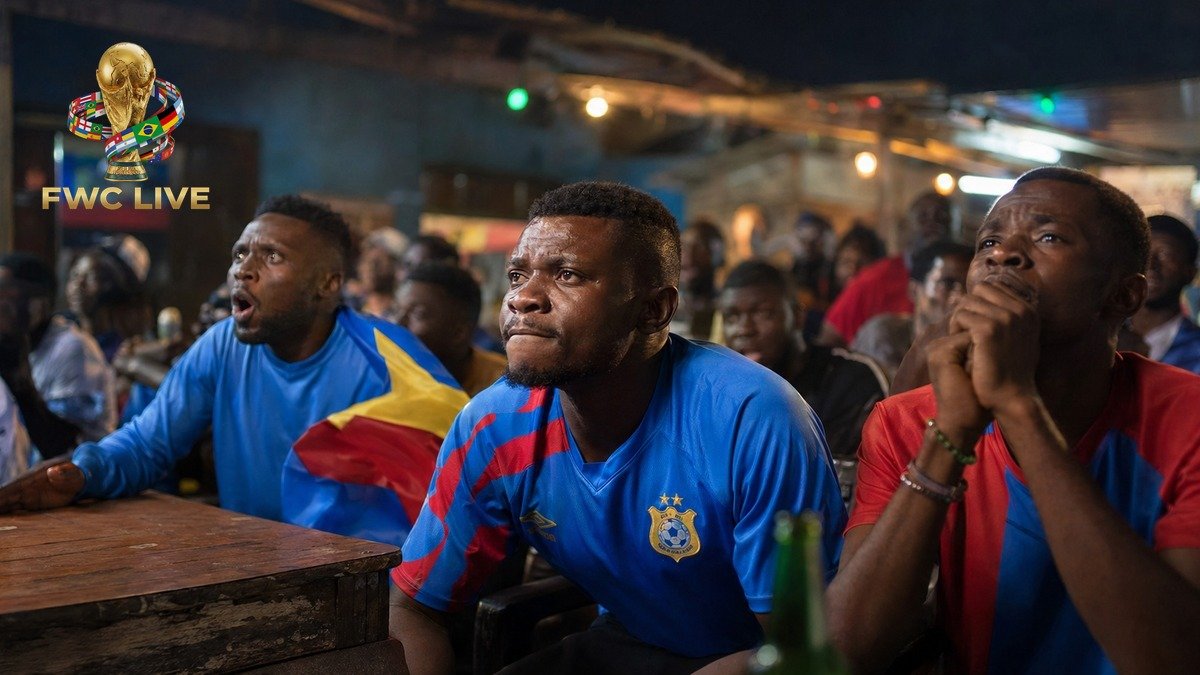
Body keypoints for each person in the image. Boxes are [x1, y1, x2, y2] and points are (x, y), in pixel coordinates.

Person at [391, 182, 845, 675]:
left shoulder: (750, 417)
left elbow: (798, 650)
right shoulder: (493, 426)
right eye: (518, 274)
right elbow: (413, 606)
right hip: (631, 640)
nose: (522, 298)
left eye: (567, 275)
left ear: (654, 310)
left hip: (750, 656)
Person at [826, 167, 1200, 675]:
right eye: (989, 243)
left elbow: (1174, 658)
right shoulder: (908, 421)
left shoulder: (1187, 417)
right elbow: (846, 651)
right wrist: (951, 435)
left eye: (1049, 237)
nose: (1004, 255)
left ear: (1124, 296)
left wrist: (1018, 406)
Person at [0, 195, 465, 523]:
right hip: (254, 567)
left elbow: (458, 500)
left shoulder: (390, 367)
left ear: (327, 284)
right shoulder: (224, 344)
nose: (244, 269)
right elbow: (148, 444)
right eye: (241, 253)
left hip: (356, 589)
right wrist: (80, 474)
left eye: (272, 257)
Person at [718, 259, 887, 502]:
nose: (744, 330)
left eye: (763, 313)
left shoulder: (851, 378)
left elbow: (836, 481)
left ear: (797, 317)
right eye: (732, 317)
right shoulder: (721, 388)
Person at [0, 253, 115, 452]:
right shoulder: (16, 345)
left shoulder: (72, 348)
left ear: (42, 303)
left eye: (10, 297)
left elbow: (65, 447)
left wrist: (20, 385)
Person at [817, 192, 952, 346]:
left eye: (943, 218)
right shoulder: (873, 280)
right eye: (923, 217)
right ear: (905, 228)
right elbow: (829, 339)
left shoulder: (971, 281)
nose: (933, 225)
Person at [862, 241, 973, 388]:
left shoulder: (972, 343)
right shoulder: (884, 334)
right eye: (948, 283)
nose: (961, 296)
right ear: (914, 290)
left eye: (968, 285)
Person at [395, 262, 507, 397]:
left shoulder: (504, 388)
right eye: (395, 310)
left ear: (459, 332)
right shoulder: (383, 375)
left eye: (418, 314)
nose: (398, 323)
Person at [1129, 214, 1200, 373]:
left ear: (1190, 273)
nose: (1150, 266)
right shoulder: (1099, 338)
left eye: (1165, 255)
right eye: (1144, 253)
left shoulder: (1196, 352)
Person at [672, 219, 724, 340]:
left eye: (699, 246)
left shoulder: (726, 308)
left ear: (716, 255)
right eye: (684, 245)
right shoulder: (664, 307)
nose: (689, 254)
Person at [353, 228, 408, 322]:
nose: (370, 268)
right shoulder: (351, 311)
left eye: (378, 262)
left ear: (397, 267)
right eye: (366, 261)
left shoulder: (404, 316)